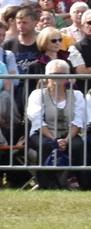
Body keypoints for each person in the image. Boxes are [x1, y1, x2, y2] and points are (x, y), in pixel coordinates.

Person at [25, 60, 86, 188]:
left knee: (78, 146)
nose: (58, 77)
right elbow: (37, 121)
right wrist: (54, 140)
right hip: (43, 134)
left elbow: (78, 121)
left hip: (67, 134)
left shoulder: (77, 95)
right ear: (47, 77)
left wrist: (66, 140)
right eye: (54, 74)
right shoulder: (38, 95)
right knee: (46, 146)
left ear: (67, 77)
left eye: (62, 74)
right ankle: (46, 185)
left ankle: (85, 186)